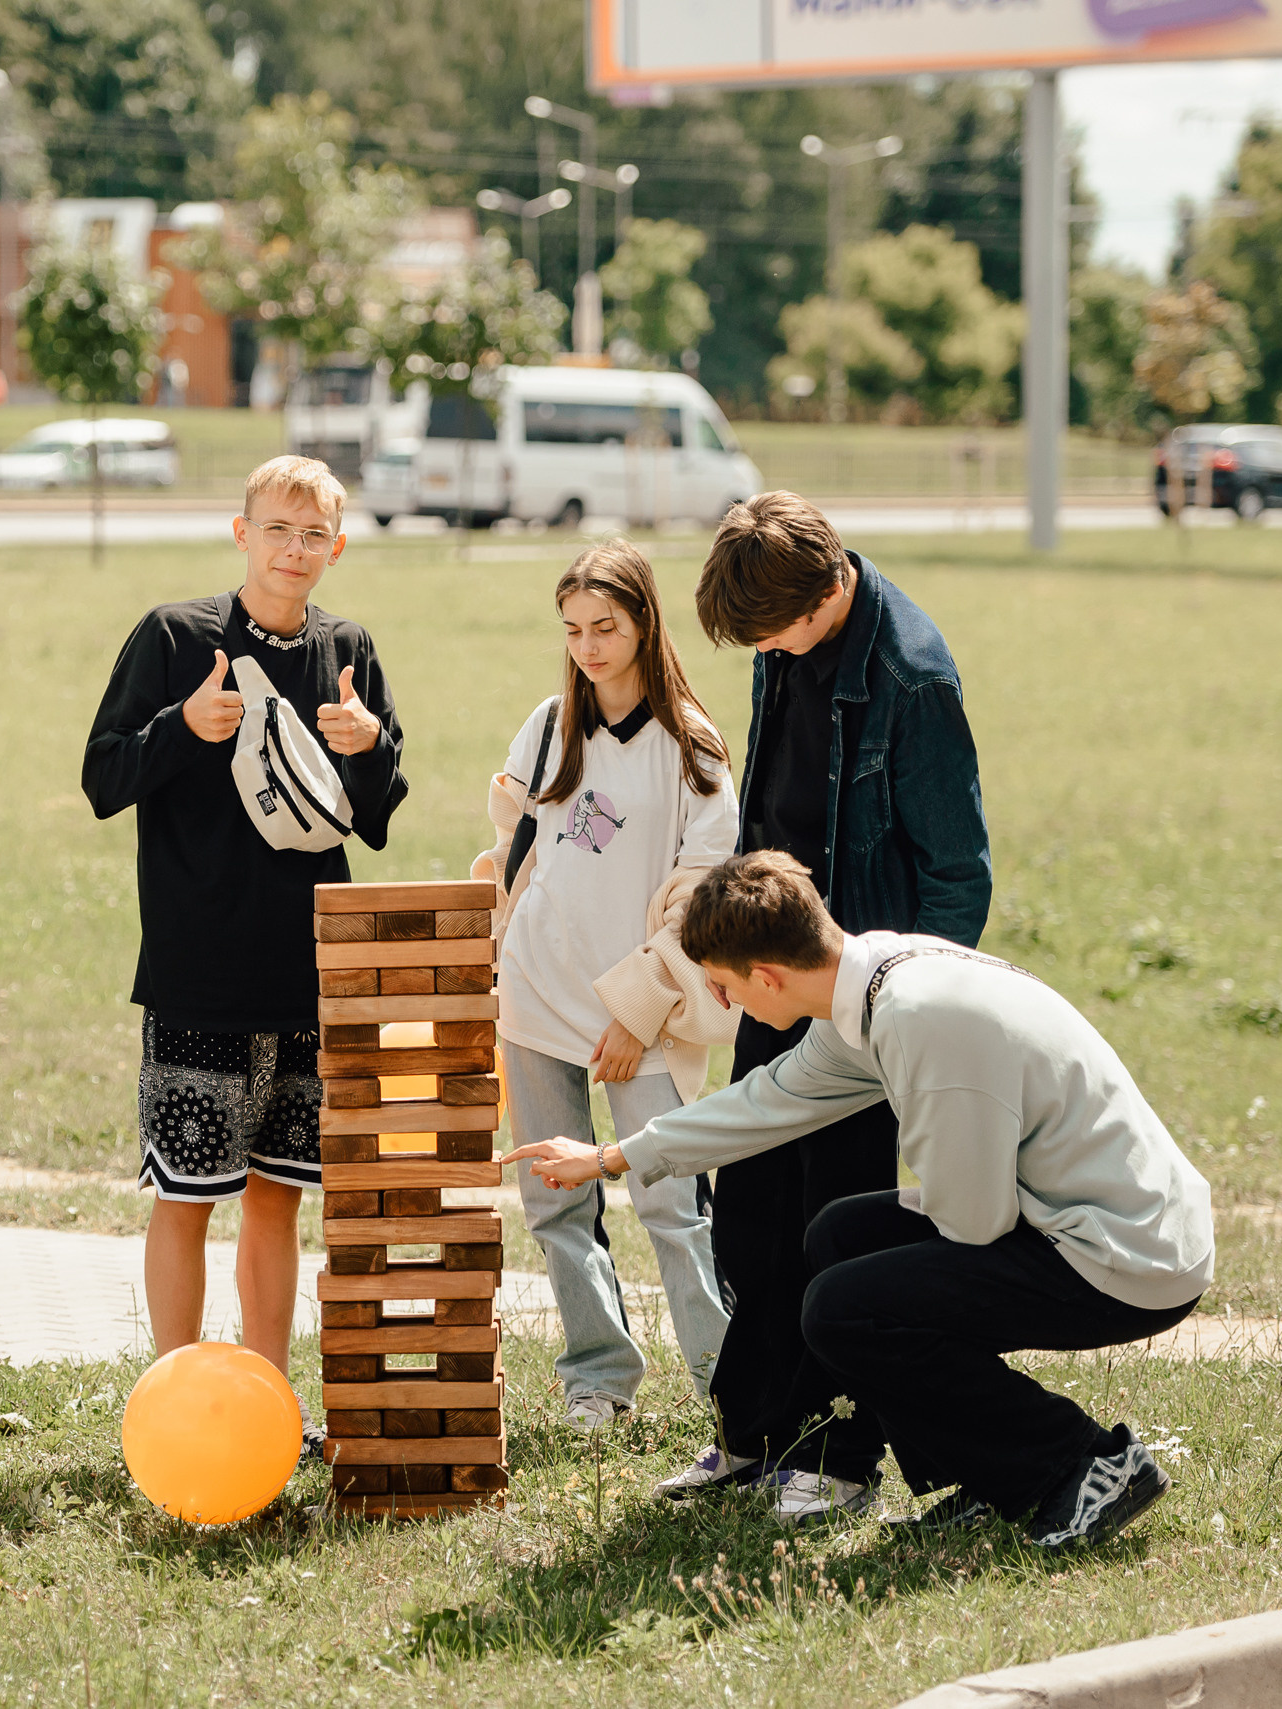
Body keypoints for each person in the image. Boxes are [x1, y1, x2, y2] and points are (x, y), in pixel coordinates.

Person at [503, 851, 1213, 1551]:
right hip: (1086, 1219)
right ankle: (993, 1472)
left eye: (724, 986)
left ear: (768, 977)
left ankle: (1084, 1465)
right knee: (841, 1236)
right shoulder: (870, 980)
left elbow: (974, 1220)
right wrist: (608, 1157)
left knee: (845, 1308)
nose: (725, 1005)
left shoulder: (918, 1019)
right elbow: (769, 1102)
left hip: (1129, 1255)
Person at [651, 491, 991, 1519]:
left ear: (829, 587)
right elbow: (769, 811)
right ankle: (750, 1435)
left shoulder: (911, 680)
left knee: (834, 1225)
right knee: (749, 1211)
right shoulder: (781, 635)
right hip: (770, 970)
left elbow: (957, 878)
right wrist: (725, 937)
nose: (768, 651)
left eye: (776, 633)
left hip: (862, 1000)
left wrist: (903, 1017)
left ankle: (839, 1457)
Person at [82, 455, 408, 1419]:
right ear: (242, 531)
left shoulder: (349, 646)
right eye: (278, 529)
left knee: (280, 1196)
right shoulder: (175, 636)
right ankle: (173, 1401)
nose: (294, 550)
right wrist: (183, 724)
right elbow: (104, 778)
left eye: (314, 536)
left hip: (310, 976)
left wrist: (370, 747)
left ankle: (270, 1402)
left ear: (338, 547)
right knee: (186, 1193)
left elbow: (378, 810)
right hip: (195, 973)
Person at [474, 540, 734, 1429]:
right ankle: (598, 1378)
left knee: (672, 1201)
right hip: (536, 996)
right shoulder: (549, 727)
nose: (589, 645)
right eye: (574, 629)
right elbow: (516, 857)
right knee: (555, 1201)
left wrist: (637, 1010)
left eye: (607, 627)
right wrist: (497, 966)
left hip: (645, 1014)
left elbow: (704, 897)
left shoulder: (691, 745)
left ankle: (724, 1383)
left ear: (644, 623)